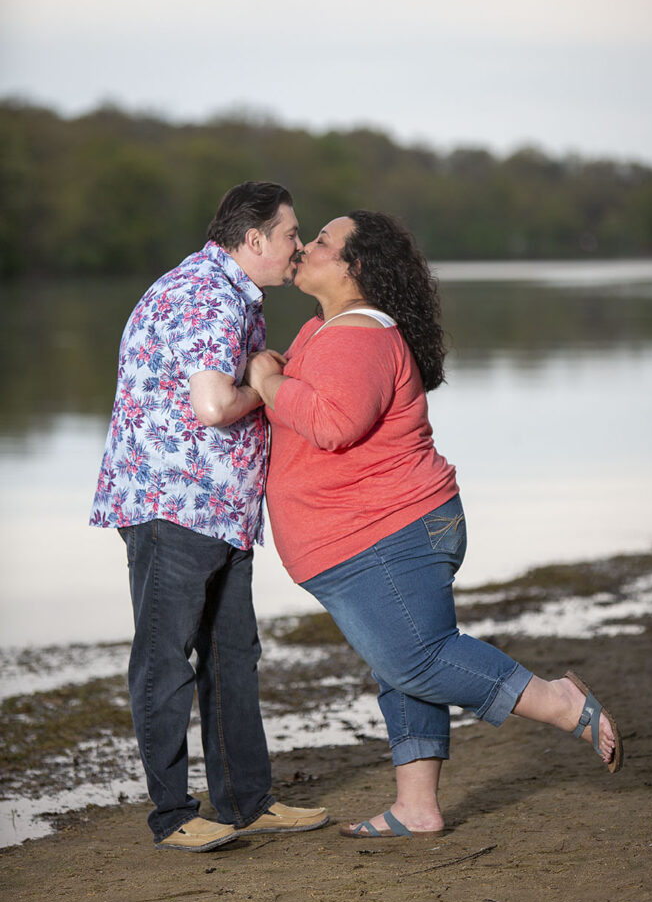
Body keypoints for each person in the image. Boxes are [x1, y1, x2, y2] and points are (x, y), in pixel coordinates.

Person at [245, 210, 624, 839]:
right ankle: (416, 808)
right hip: (376, 535)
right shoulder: (329, 329)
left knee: (417, 659)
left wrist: (268, 377)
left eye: (322, 242)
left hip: (387, 533)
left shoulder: (357, 334)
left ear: (355, 266)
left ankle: (559, 700)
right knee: (402, 663)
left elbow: (332, 422)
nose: (307, 247)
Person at [90, 181, 328, 851]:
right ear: (253, 240)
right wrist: (264, 380)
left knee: (232, 656)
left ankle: (247, 803)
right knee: (165, 662)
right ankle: (172, 817)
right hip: (175, 507)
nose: (298, 246)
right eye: (290, 234)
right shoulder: (203, 295)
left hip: (217, 507)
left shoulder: (227, 292)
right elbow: (214, 407)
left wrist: (259, 373)